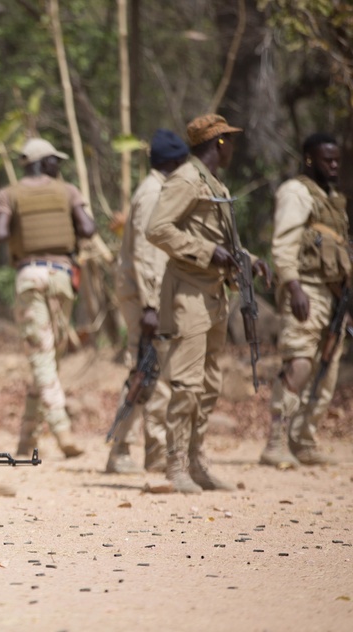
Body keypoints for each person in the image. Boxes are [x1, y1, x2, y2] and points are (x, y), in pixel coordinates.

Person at [145, 115, 271, 493]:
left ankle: (198, 462)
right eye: (229, 140)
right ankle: (176, 465)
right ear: (218, 143)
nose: (232, 147)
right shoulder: (185, 179)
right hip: (188, 293)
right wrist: (204, 251)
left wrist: (247, 259)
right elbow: (157, 229)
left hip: (214, 295)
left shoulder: (212, 183)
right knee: (186, 383)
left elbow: (218, 240)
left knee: (209, 383)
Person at [0, 137, 96, 459]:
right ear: (43, 161)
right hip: (62, 276)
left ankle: (30, 438)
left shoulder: (9, 193)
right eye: (55, 160)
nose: (58, 167)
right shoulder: (68, 191)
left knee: (42, 359)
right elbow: (89, 228)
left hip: (29, 276)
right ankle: (59, 432)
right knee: (46, 358)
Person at [259, 133, 349, 467]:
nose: (335, 165)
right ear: (309, 158)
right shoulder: (296, 192)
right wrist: (293, 286)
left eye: (337, 159)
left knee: (326, 370)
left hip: (334, 294)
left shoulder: (333, 198)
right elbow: (283, 243)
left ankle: (303, 439)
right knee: (299, 363)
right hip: (307, 288)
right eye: (328, 159)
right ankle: (276, 441)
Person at [106, 129, 189, 473]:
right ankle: (148, 453)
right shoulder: (155, 193)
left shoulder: (157, 190)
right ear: (172, 163)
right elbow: (146, 254)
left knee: (146, 370)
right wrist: (152, 306)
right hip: (145, 296)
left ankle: (124, 448)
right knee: (152, 370)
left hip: (147, 293)